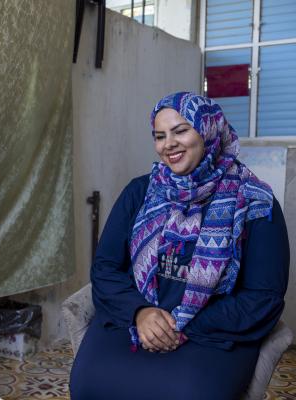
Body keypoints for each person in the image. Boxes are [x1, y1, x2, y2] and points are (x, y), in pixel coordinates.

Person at [69, 92, 289, 399]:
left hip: (211, 334)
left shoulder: (256, 203)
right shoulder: (140, 191)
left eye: (181, 130)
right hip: (134, 324)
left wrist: (182, 323)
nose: (168, 143)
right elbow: (105, 267)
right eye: (160, 136)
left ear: (209, 131)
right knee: (90, 385)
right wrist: (140, 313)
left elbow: (263, 296)